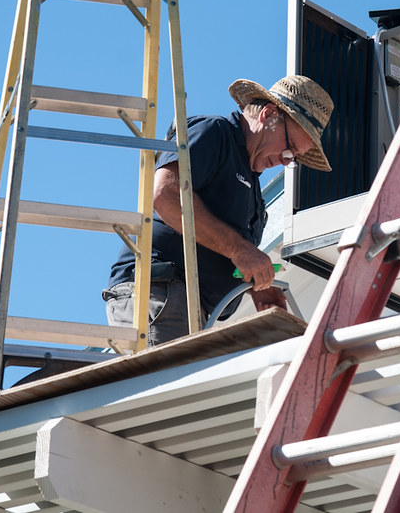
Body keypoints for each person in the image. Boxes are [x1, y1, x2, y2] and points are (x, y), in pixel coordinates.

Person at [103, 74, 334, 345]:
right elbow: (165, 195)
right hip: (160, 291)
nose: (286, 161)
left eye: (293, 159)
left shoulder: (251, 188)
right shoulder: (214, 132)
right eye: (290, 148)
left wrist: (256, 284)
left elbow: (220, 248)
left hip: (188, 307)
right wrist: (240, 250)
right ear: (268, 115)